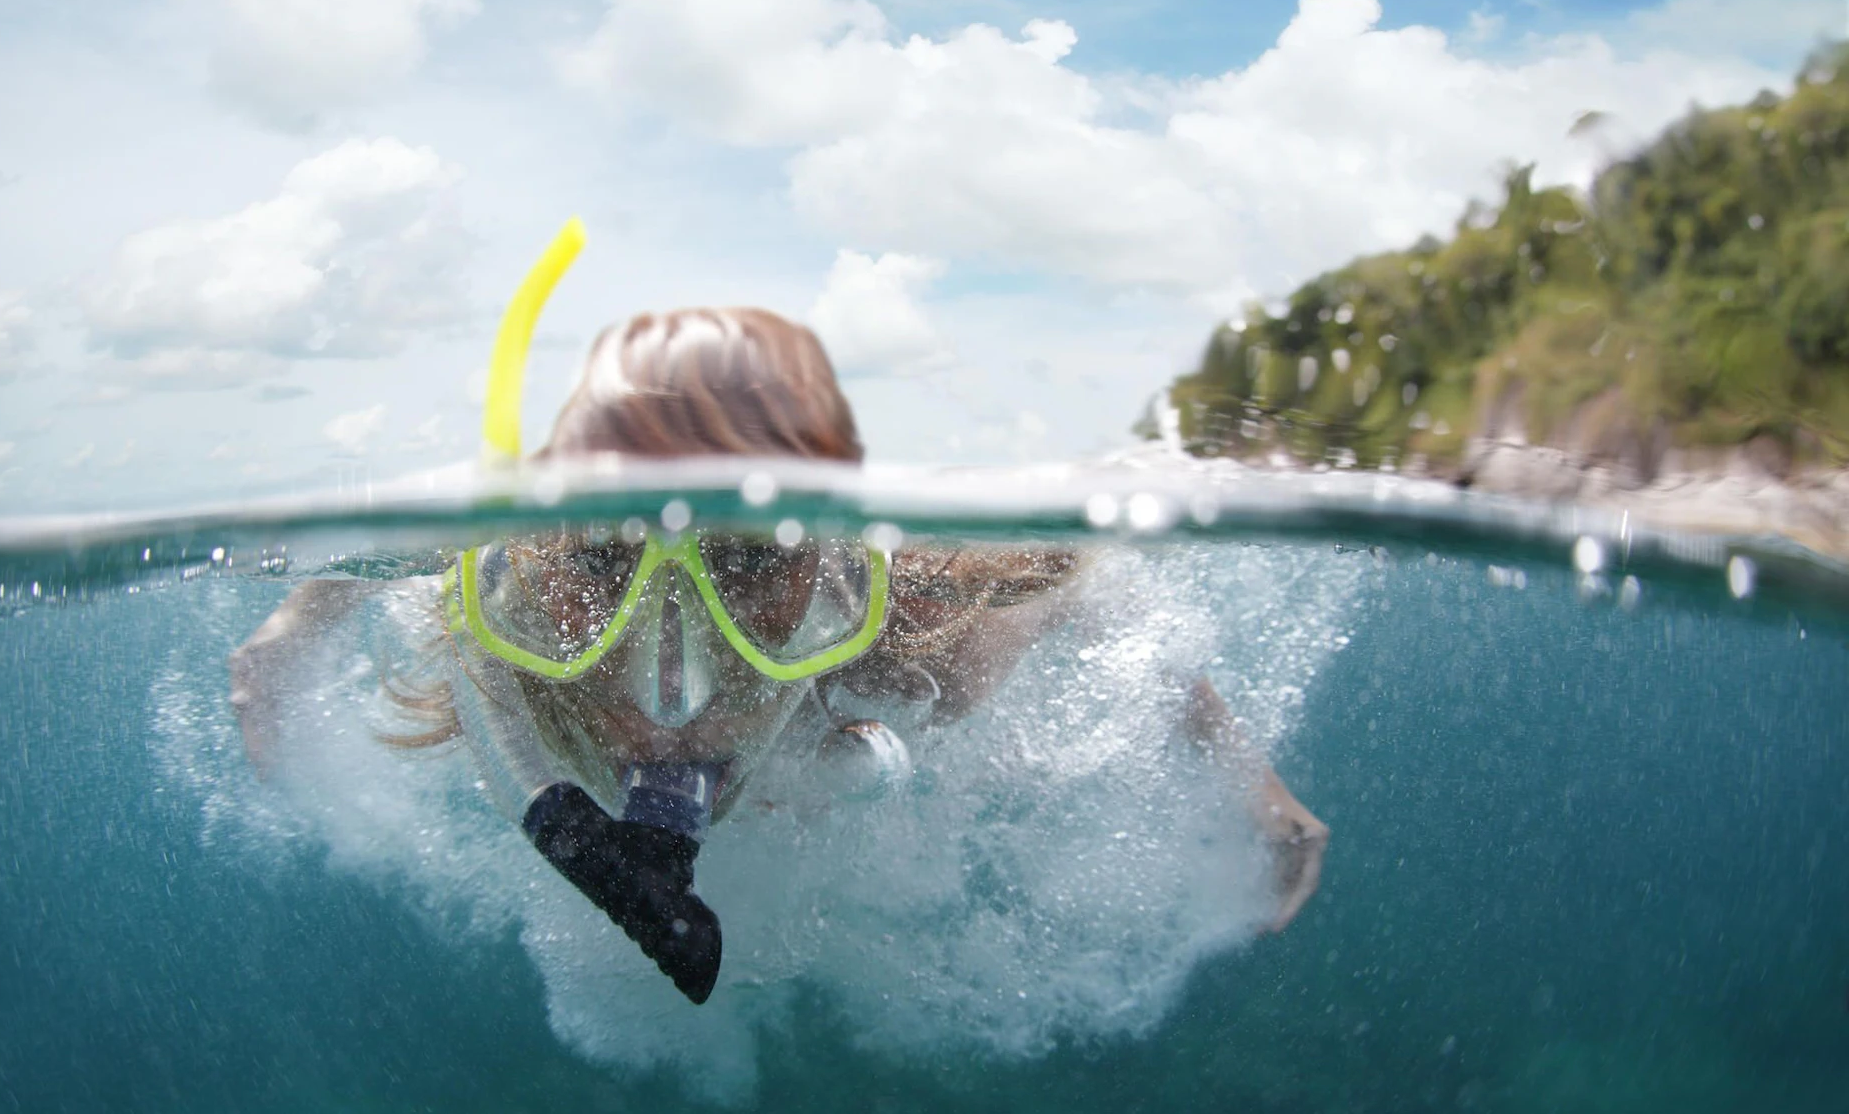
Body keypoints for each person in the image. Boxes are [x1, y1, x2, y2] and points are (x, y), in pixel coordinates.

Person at [229, 236, 1328, 1006]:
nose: (675, 692)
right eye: (610, 561)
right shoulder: (517, 609)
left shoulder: (912, 643)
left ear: (833, 564)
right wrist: (294, 626)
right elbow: (388, 549)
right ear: (553, 535)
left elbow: (1085, 584)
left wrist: (1255, 784)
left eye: (751, 563)